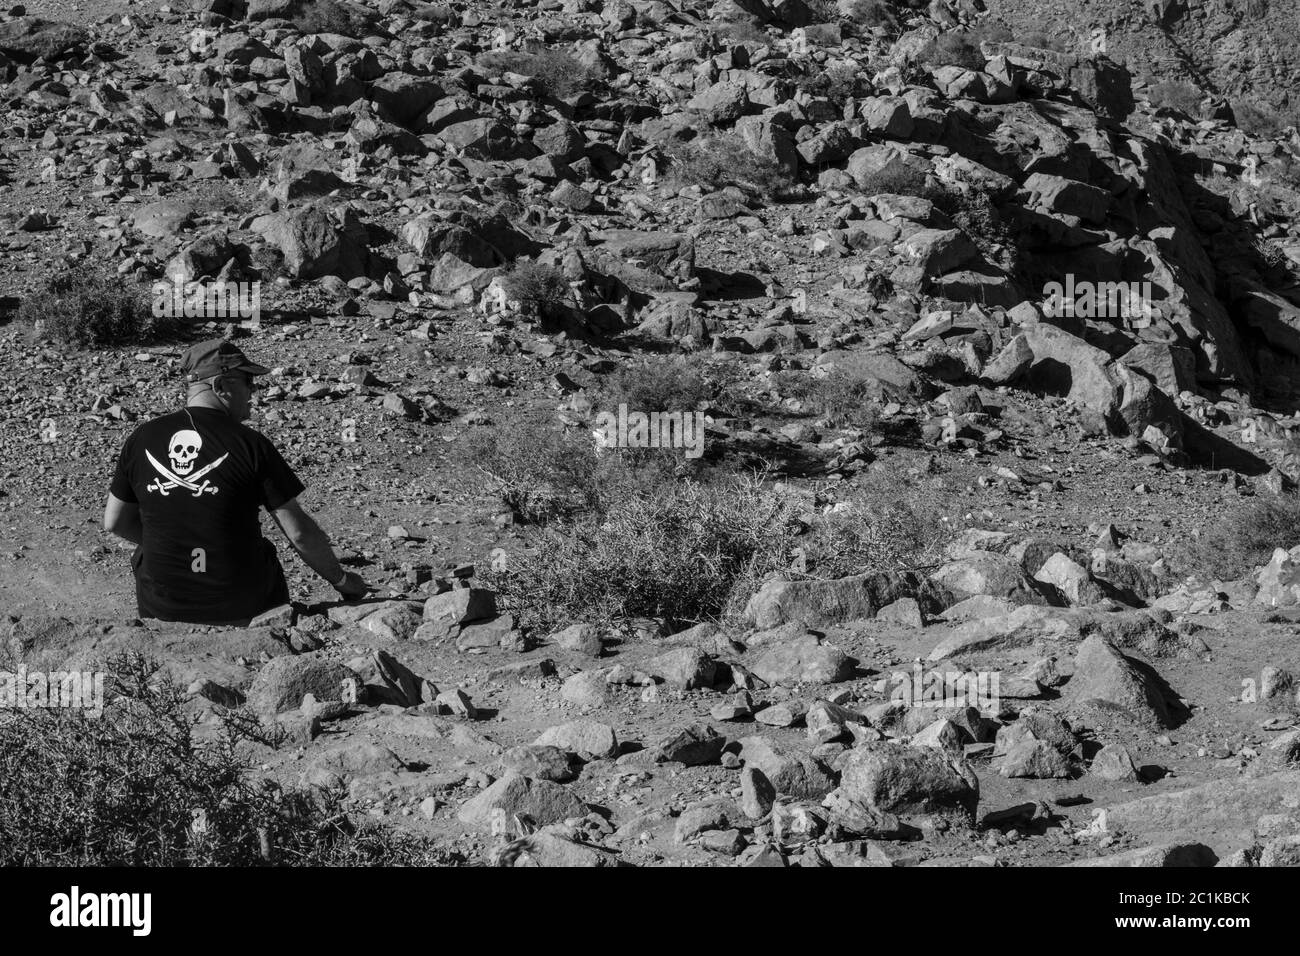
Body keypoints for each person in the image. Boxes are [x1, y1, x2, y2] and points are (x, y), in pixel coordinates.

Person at [103, 338, 368, 624]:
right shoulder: (250, 444)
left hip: (163, 607)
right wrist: (341, 580)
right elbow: (299, 533)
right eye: (247, 381)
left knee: (145, 556)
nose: (254, 390)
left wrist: (167, 546)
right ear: (220, 386)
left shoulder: (141, 438)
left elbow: (115, 522)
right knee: (264, 551)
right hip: (240, 605)